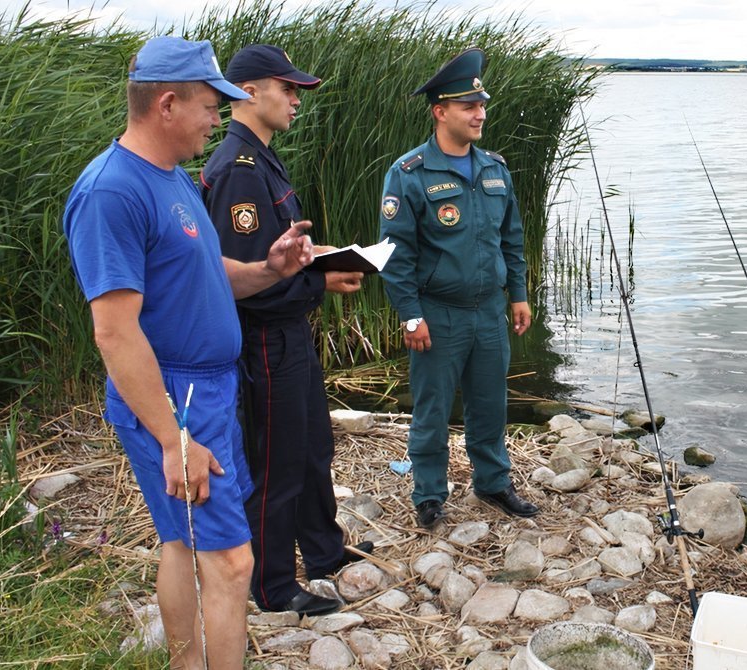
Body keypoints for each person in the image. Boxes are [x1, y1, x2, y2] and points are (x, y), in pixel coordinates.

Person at [62, 37, 315, 668]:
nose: (217, 119)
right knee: (232, 562)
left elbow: (209, 276)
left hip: (206, 390)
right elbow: (114, 332)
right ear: (168, 104)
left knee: (181, 542)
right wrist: (175, 438)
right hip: (174, 397)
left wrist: (271, 269)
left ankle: (185, 662)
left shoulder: (171, 177)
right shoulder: (111, 193)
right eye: (210, 106)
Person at [200, 44, 372, 617]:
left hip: (289, 335)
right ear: (249, 92)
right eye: (288, 89)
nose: (296, 100)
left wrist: (328, 259)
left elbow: (282, 256)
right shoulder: (237, 171)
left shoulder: (264, 159)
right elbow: (255, 280)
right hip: (265, 341)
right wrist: (320, 283)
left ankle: (323, 553)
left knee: (313, 447)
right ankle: (272, 586)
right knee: (276, 461)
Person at [378, 47, 539, 529]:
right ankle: (429, 493)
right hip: (438, 312)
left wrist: (519, 293)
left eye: (482, 105)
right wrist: (410, 313)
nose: (480, 114)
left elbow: (511, 237)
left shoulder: (494, 168)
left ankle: (493, 482)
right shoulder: (408, 174)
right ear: (440, 111)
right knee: (431, 409)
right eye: (469, 106)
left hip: (489, 310)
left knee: (491, 403)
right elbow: (396, 253)